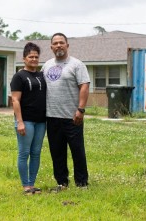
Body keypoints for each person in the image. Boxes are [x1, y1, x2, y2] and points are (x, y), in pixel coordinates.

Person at [42, 33, 90, 191]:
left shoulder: (77, 64)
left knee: (77, 150)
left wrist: (80, 110)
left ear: (67, 45)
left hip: (72, 117)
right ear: (51, 47)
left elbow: (84, 85)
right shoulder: (47, 65)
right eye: (55, 43)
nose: (58, 45)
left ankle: (82, 183)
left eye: (61, 42)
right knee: (57, 152)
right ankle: (61, 182)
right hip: (52, 117)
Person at [10, 42, 47, 195]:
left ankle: (32, 184)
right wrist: (19, 122)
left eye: (36, 57)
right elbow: (15, 100)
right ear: (24, 58)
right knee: (24, 153)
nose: (34, 59)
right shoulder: (19, 76)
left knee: (36, 152)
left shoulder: (41, 75)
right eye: (30, 56)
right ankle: (26, 186)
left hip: (41, 121)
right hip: (26, 121)